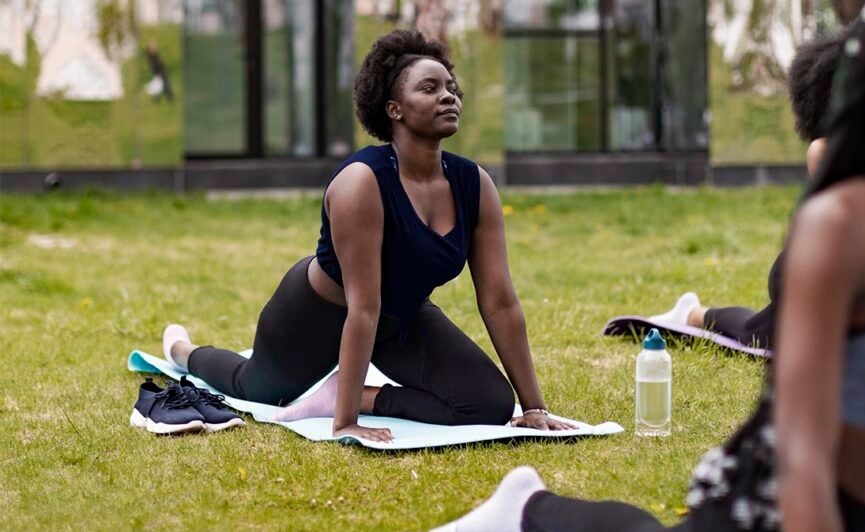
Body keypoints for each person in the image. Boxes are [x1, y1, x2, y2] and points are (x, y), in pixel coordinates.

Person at [426, 1, 865, 532]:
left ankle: (528, 504)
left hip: (863, 520)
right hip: (761, 512)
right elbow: (804, 458)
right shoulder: (844, 230)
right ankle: (528, 506)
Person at [162, 29, 573, 443]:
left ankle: (360, 395)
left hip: (402, 318)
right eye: (429, 88)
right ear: (394, 108)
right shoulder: (362, 182)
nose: (448, 96)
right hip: (320, 314)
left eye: (451, 87)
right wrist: (345, 426)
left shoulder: (474, 184)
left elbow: (500, 301)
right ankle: (185, 353)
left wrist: (535, 407)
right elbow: (362, 308)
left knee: (488, 405)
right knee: (256, 388)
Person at [668, 29, 846, 350]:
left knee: (763, 330)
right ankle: (692, 314)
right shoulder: (825, 150)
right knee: (760, 335)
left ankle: (695, 313)